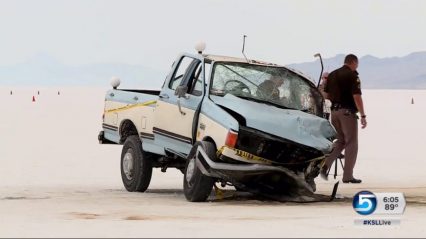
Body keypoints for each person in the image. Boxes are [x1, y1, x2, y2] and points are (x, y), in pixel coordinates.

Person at [320, 54, 367, 184]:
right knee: (352, 143)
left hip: (334, 112)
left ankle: (325, 166)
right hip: (347, 113)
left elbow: (327, 95)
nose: (357, 66)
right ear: (353, 62)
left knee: (340, 141)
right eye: (357, 64)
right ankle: (348, 176)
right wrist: (363, 115)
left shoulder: (333, 75)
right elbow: (357, 96)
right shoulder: (352, 75)